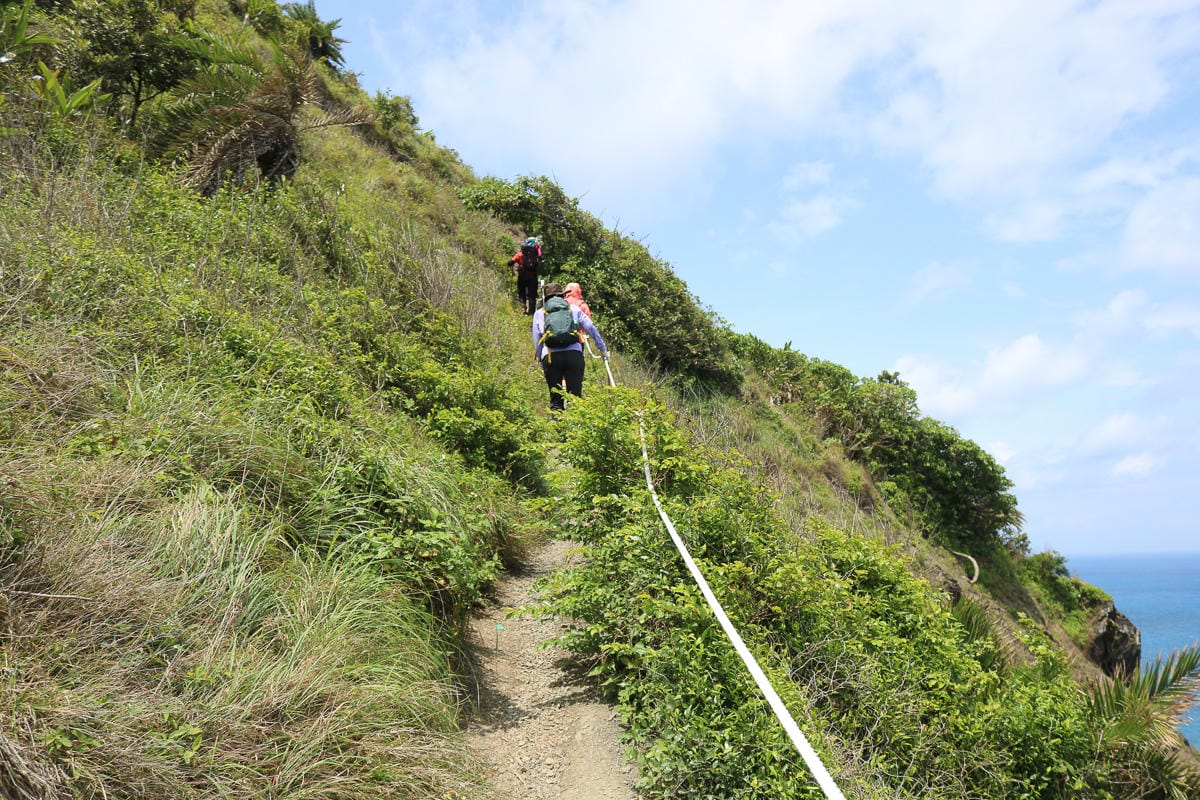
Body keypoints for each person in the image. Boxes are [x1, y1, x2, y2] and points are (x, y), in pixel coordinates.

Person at [532, 282, 608, 413]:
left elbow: (537, 339)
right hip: (574, 355)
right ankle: (576, 431)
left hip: (551, 357)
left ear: (546, 297)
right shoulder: (574, 309)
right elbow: (590, 327)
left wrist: (539, 356)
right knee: (575, 398)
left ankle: (559, 431)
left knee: (556, 400)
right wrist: (602, 348)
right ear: (562, 296)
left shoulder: (540, 313)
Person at [508, 236, 542, 315]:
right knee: (532, 295)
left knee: (521, 292)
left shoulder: (520, 254)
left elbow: (510, 262)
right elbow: (539, 262)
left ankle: (523, 309)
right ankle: (532, 313)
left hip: (522, 276)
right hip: (533, 276)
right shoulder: (536, 253)